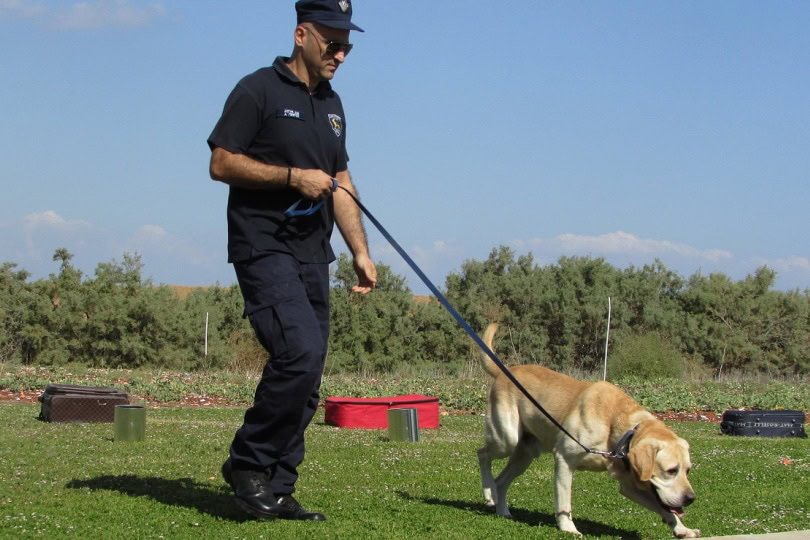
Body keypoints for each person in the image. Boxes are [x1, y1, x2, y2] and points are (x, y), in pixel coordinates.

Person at [206, 0, 376, 522]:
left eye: (348, 45)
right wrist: (289, 177)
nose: (341, 54)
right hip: (262, 245)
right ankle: (248, 465)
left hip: (313, 254)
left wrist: (361, 252)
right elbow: (221, 162)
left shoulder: (333, 104)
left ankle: (278, 486)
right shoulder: (257, 88)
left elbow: (342, 183)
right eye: (332, 42)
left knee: (310, 372)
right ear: (302, 33)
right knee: (297, 353)